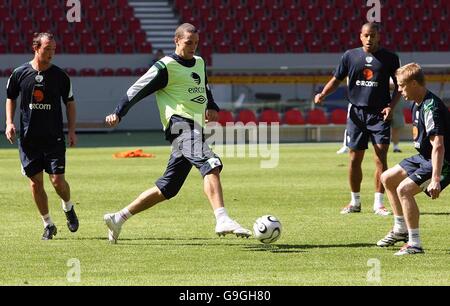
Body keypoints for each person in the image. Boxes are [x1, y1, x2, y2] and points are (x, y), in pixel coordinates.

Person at [103, 23, 251, 244]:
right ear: (177, 41)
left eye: (196, 43)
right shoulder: (165, 67)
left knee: (168, 187)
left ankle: (118, 218)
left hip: (195, 129)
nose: (193, 47)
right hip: (179, 126)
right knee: (210, 162)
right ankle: (222, 218)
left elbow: (204, 85)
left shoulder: (199, 62)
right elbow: (136, 89)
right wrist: (118, 112)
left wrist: (212, 105)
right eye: (188, 43)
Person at [314, 22, 401, 216]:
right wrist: (323, 94)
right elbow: (336, 79)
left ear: (379, 36)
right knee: (354, 159)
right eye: (366, 35)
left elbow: (399, 87)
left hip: (379, 115)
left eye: (373, 35)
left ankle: (378, 204)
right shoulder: (350, 56)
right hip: (356, 114)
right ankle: (355, 202)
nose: (369, 39)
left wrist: (391, 107)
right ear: (360, 36)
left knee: (380, 158)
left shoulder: (391, 58)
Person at [5, 32, 79, 240]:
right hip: (29, 140)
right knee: (36, 183)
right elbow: (11, 98)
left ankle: (68, 207)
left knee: (58, 182)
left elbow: (70, 103)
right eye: (47, 49)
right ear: (36, 48)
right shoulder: (19, 73)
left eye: (54, 49)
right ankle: (48, 224)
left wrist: (72, 130)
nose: (51, 54)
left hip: (54, 138)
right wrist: (9, 122)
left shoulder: (61, 76)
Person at [377, 63, 450, 255]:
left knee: (404, 190)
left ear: (415, 83)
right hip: (423, 156)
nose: (399, 90)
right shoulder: (417, 103)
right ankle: (400, 229)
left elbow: (439, 145)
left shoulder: (430, 108)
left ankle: (414, 243)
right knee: (387, 178)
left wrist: (435, 179)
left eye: (402, 85)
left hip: (442, 160)